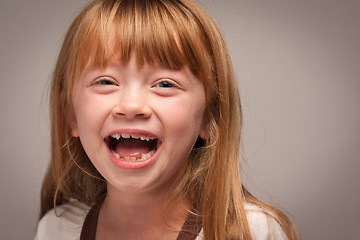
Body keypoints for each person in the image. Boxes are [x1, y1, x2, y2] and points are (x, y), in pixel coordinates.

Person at [35, 0, 299, 239]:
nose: (131, 106)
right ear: (70, 114)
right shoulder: (56, 230)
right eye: (105, 81)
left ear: (209, 117)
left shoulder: (252, 233)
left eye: (164, 84)